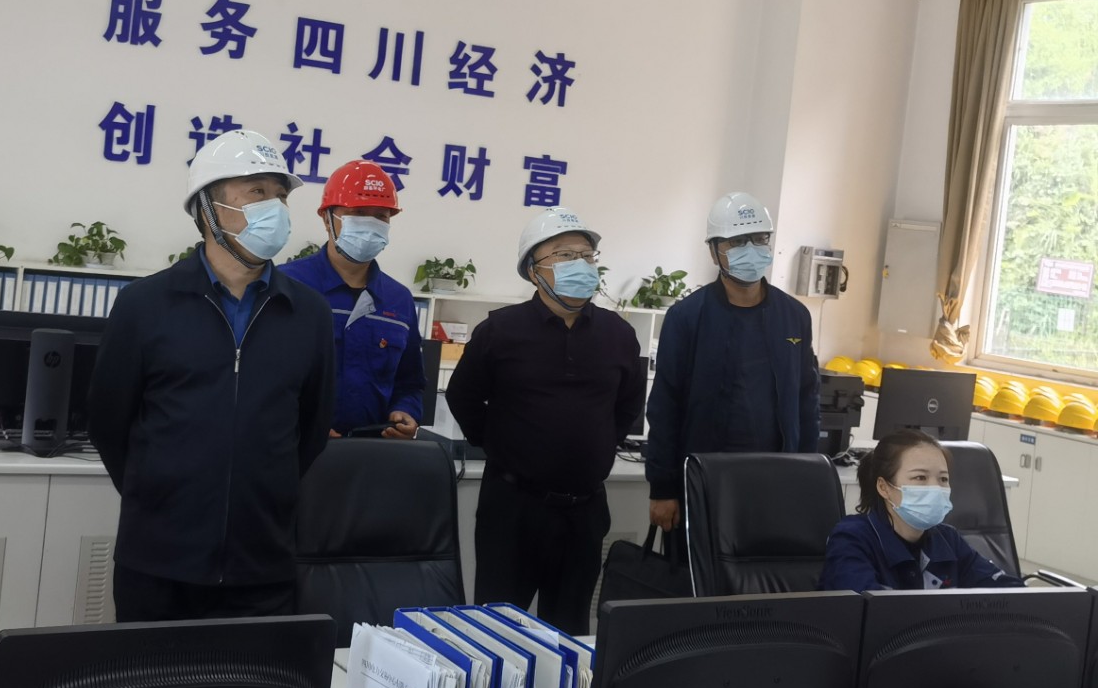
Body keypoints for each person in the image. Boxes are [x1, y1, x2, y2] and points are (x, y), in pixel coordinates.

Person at [88, 129, 335, 622]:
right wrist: (162, 495)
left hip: (262, 568)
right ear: (207, 208)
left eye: (281, 195)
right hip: (157, 564)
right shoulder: (144, 305)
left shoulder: (308, 314)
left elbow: (310, 430)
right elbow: (108, 422)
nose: (275, 207)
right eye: (257, 192)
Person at [446, 207, 643, 635]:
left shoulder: (618, 334)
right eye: (564, 255)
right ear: (534, 271)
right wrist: (499, 445)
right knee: (496, 631)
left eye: (586, 255)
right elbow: (463, 396)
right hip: (513, 508)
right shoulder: (500, 330)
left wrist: (594, 447)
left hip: (585, 510)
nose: (580, 264)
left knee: (569, 633)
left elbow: (628, 406)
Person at [645, 192, 818, 533]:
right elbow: (665, 405)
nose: (751, 249)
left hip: (776, 481)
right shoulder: (686, 317)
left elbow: (806, 400)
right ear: (714, 251)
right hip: (703, 479)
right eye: (737, 242)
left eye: (759, 238)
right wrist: (662, 488)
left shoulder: (794, 315)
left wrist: (808, 473)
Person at [280, 160, 425, 439]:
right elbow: (260, 376)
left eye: (381, 216)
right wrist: (303, 422)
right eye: (358, 213)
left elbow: (409, 382)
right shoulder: (288, 285)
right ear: (327, 219)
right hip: (294, 448)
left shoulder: (398, 299)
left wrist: (405, 411)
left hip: (372, 451)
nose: (371, 224)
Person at [819, 430, 1022, 591]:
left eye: (943, 479)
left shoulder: (948, 539)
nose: (935, 488)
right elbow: (866, 612)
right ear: (884, 487)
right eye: (920, 478)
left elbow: (1007, 592)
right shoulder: (852, 538)